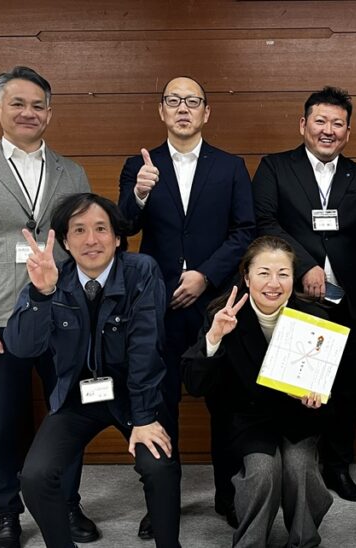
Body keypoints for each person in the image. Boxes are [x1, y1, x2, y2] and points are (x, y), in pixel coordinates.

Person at [0, 66, 96, 547]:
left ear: (49, 113)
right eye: (18, 103)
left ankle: (66, 504)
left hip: (64, 318)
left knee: (67, 414)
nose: (28, 112)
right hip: (0, 321)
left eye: (37, 105)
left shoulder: (72, 172)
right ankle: (6, 513)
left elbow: (87, 245)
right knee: (2, 422)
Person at [252, 85, 356, 501]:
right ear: (303, 124)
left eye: (338, 124)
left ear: (348, 132)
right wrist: (305, 265)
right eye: (320, 121)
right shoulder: (275, 168)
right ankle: (295, 469)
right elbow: (265, 223)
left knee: (345, 388)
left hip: (346, 299)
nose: (328, 130)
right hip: (293, 299)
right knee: (294, 384)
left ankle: (338, 467)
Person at [118, 75, 255, 534]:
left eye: (192, 101)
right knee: (162, 404)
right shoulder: (140, 166)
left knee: (225, 403)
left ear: (206, 112)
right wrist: (139, 193)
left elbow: (244, 231)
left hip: (216, 304)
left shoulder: (230, 166)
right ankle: (163, 502)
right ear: (161, 110)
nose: (183, 108)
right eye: (173, 101)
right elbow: (123, 227)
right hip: (156, 304)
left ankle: (228, 494)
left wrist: (204, 275)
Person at [4, 193, 181, 548]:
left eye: (101, 228)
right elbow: (22, 347)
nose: (91, 240)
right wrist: (41, 294)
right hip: (77, 396)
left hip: (133, 395)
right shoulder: (53, 279)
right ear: (65, 241)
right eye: (79, 230)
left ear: (117, 237)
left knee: (159, 464)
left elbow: (146, 348)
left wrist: (144, 417)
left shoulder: (141, 271)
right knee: (36, 476)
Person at [181, 236, 332, 548]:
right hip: (246, 420)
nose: (273, 283)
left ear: (294, 278)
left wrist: (317, 398)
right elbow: (194, 385)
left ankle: (304, 540)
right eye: (264, 273)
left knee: (300, 467)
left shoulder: (316, 318)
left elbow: (333, 390)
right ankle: (250, 542)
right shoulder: (222, 314)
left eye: (283, 274)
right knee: (263, 471)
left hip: (297, 418)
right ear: (247, 277)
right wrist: (214, 337)